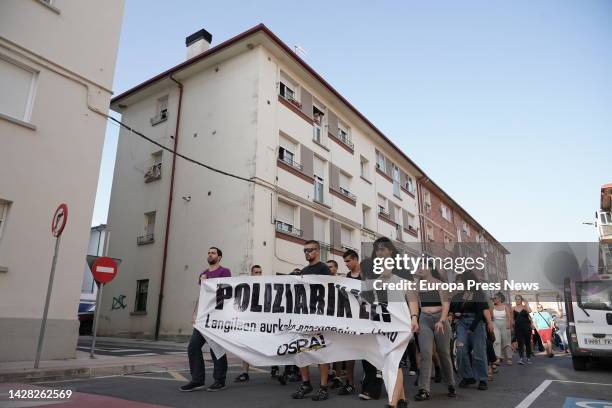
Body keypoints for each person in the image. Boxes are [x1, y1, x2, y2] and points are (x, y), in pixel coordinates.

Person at [365, 237, 419, 408]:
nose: (379, 252)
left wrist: (414, 317)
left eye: (383, 248)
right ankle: (401, 399)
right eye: (377, 249)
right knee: (388, 362)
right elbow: (366, 297)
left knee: (395, 362)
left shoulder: (402, 269)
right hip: (381, 323)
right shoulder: (371, 271)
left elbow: (411, 298)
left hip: (400, 324)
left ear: (391, 250)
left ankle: (392, 404)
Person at [180, 247, 230, 392]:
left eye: (213, 253)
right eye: (208, 252)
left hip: (217, 316)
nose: (210, 254)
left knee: (216, 349)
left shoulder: (224, 271)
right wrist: (195, 313)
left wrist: (207, 282)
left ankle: (220, 380)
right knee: (193, 347)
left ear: (219, 257)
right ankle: (197, 380)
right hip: (203, 317)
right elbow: (202, 296)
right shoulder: (203, 274)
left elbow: (224, 292)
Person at [291, 240, 332, 401]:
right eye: (305, 251)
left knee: (321, 351)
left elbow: (328, 289)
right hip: (304, 315)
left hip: (319, 315)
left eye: (309, 250)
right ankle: (306, 383)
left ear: (317, 251)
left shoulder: (324, 269)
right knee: (301, 350)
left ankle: (323, 387)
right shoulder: (304, 270)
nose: (307, 253)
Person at [414, 268, 456, 400]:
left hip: (440, 319)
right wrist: (414, 318)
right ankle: (423, 389)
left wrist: (442, 320)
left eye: (423, 265)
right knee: (425, 353)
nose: (420, 268)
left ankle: (450, 384)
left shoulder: (440, 284)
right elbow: (414, 303)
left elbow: (446, 304)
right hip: (424, 319)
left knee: (443, 353)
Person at [450, 271, 494, 391]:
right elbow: (452, 310)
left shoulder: (479, 294)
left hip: (477, 324)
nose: (458, 283)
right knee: (460, 350)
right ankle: (468, 376)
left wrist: (488, 323)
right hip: (462, 324)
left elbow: (482, 311)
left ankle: (482, 379)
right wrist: (454, 315)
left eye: (460, 281)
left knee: (479, 352)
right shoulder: (458, 296)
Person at [334, 249, 361, 396]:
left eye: (348, 261)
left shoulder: (367, 274)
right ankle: (350, 383)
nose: (346, 264)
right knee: (350, 352)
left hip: (367, 318)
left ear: (356, 259)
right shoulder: (348, 277)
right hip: (352, 318)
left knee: (369, 351)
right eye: (344, 262)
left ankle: (372, 379)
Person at [234, 265, 262, 383]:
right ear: (251, 273)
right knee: (245, 347)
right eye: (256, 272)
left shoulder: (266, 285)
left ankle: (274, 368)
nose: (258, 274)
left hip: (263, 322)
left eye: (260, 272)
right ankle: (245, 373)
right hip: (249, 322)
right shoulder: (247, 286)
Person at [492, 292, 514, 365]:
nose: (494, 299)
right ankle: (497, 357)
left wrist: (509, 324)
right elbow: (491, 317)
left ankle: (509, 357)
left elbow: (509, 317)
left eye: (495, 298)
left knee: (506, 341)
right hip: (495, 324)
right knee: (497, 341)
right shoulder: (492, 307)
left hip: (505, 324)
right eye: (493, 298)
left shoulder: (505, 307)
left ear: (500, 299)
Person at [512, 295, 533, 365]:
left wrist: (526, 303)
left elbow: (530, 311)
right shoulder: (513, 308)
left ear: (521, 300)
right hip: (518, 328)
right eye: (516, 299)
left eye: (519, 299)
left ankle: (528, 358)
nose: (517, 301)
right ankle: (521, 358)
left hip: (527, 327)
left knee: (527, 343)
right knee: (520, 343)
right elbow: (512, 319)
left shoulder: (525, 307)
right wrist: (512, 326)